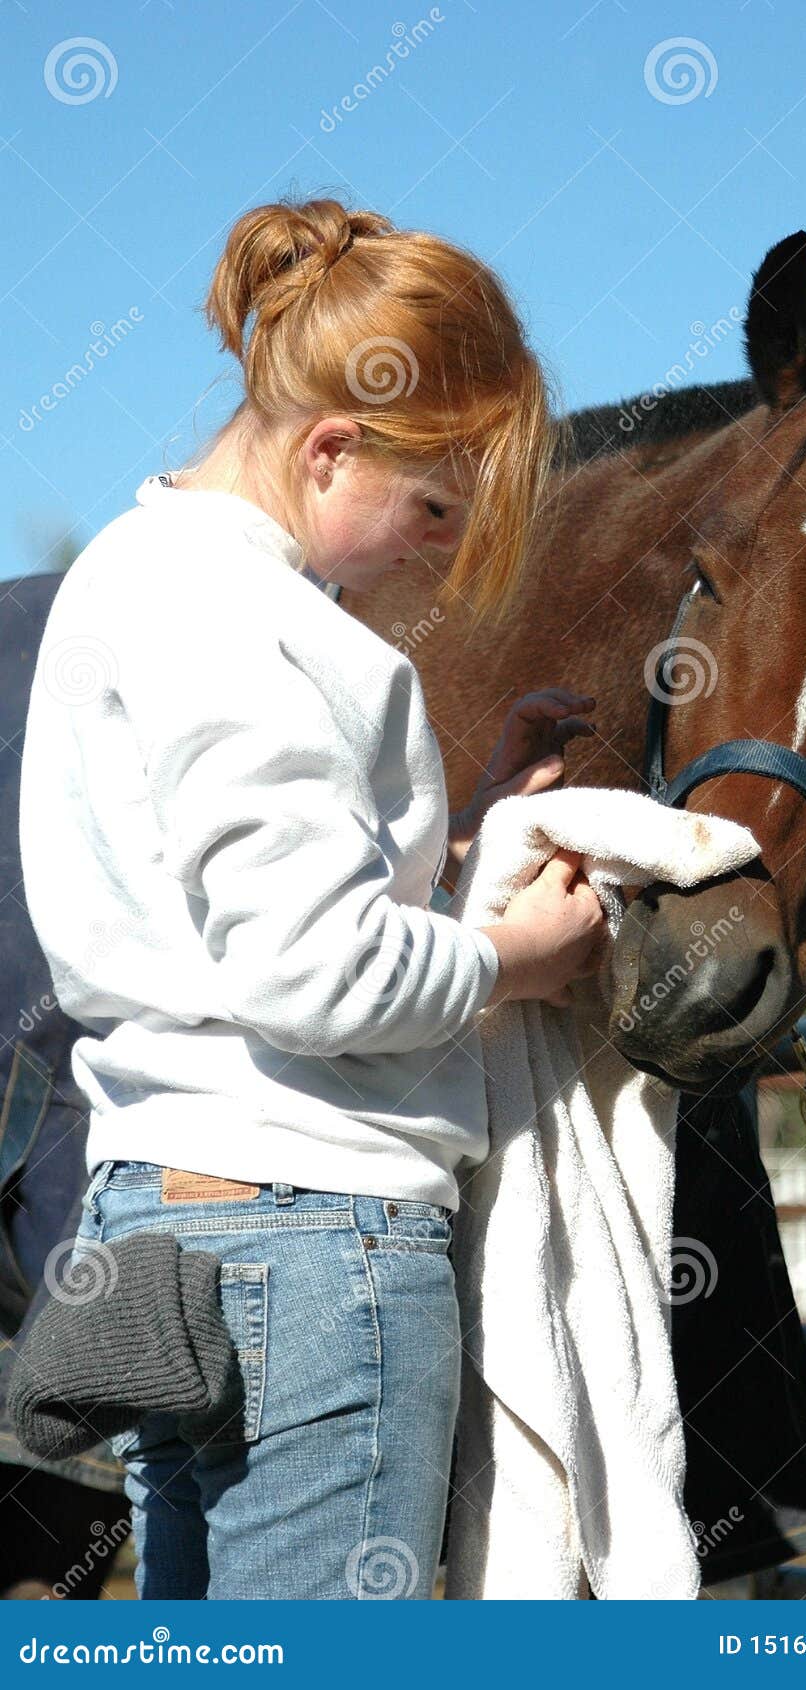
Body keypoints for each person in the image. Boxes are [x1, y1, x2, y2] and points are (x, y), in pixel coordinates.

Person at [18, 196, 607, 1600]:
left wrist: (451, 841)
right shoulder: (265, 623)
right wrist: (514, 956)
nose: (434, 552)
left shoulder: (123, 574)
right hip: (315, 1233)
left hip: (163, 1222)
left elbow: (224, 915)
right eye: (433, 508)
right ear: (332, 449)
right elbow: (311, 973)